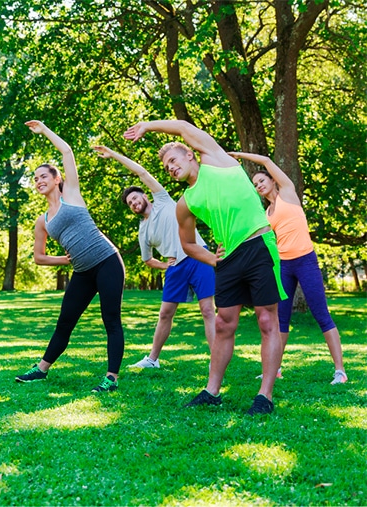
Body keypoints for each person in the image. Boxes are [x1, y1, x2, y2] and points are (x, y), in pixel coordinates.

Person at [123, 120, 287, 415]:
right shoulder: (184, 203)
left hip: (259, 245)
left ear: (189, 154)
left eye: (173, 160)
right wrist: (214, 259)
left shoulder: (215, 159)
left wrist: (147, 126)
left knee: (266, 320)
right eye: (166, 168)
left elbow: (183, 126)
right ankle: (212, 391)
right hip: (228, 259)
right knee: (224, 324)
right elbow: (187, 245)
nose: (170, 168)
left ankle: (265, 396)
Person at [15, 121, 125, 392]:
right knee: (65, 321)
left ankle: (111, 378)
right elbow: (39, 257)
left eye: (44, 176)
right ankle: (41, 369)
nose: (39, 181)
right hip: (83, 272)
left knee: (111, 319)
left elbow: (67, 152)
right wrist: (63, 260)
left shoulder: (72, 195)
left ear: (57, 179)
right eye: (35, 179)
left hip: (107, 262)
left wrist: (44, 131)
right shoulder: (43, 221)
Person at [229, 151, 348, 385]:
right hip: (283, 266)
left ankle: (340, 371)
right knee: (279, 320)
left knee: (321, 315)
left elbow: (266, 161)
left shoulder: (288, 193)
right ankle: (275, 369)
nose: (258, 185)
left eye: (261, 180)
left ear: (273, 180)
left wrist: (236, 156)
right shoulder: (265, 214)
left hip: (305, 261)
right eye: (255, 184)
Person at [92, 146, 216, 369]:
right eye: (130, 203)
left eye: (134, 198)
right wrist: (163, 266)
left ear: (144, 195)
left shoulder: (162, 200)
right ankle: (152, 359)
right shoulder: (143, 232)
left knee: (207, 309)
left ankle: (217, 357)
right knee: (165, 314)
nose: (133, 203)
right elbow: (147, 259)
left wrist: (114, 155)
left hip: (198, 256)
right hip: (176, 267)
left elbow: (142, 173)